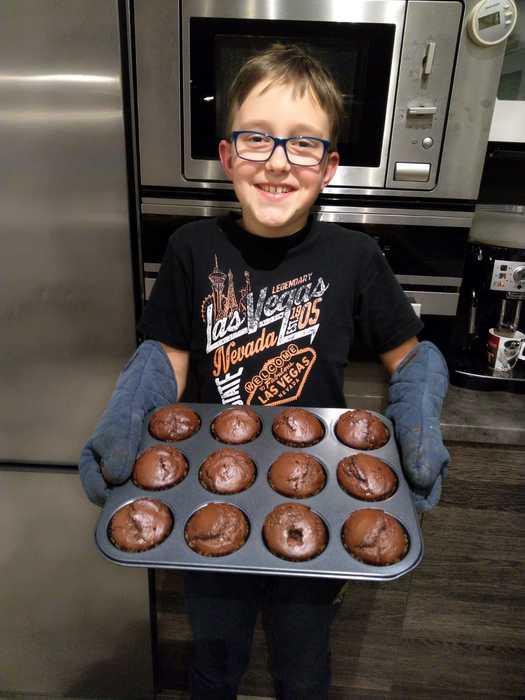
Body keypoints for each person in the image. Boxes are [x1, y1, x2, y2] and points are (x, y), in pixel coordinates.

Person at [79, 44, 450, 699]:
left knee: (302, 668)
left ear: (328, 167)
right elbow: (167, 355)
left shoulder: (356, 256)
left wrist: (417, 411)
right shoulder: (193, 248)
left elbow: (410, 354)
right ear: (227, 156)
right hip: (210, 496)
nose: (278, 161)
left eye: (303, 143)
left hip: (318, 502)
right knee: (215, 661)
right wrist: (130, 406)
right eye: (257, 138)